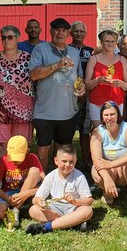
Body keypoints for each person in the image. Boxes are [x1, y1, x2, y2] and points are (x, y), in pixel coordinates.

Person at [29, 18, 85, 171]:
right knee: (42, 151)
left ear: (68, 33)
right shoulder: (41, 49)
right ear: (50, 31)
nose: (60, 33)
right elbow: (33, 75)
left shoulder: (74, 52)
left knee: (62, 151)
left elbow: (79, 76)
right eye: (56, 29)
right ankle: (41, 182)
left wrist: (82, 87)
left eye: (64, 30)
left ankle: (58, 181)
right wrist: (58, 64)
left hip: (68, 111)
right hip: (45, 111)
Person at [0, 25, 35, 161]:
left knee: (21, 146)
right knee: (1, 147)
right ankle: (1, 179)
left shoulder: (28, 58)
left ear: (17, 39)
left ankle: (18, 178)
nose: (6, 40)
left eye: (10, 37)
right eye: (3, 37)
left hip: (23, 112)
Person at [26, 144, 93, 235]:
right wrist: (40, 202)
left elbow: (89, 200)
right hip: (55, 209)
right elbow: (36, 198)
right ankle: (71, 223)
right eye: (64, 161)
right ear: (56, 161)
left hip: (73, 208)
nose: (67, 165)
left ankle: (46, 227)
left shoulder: (79, 176)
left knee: (87, 211)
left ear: (75, 161)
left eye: (71, 162)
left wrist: (75, 201)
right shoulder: (51, 176)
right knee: (33, 210)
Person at [90, 101, 127, 214]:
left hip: (123, 169)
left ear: (118, 114)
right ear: (102, 117)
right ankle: (107, 192)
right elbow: (96, 159)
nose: (109, 118)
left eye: (112, 114)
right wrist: (107, 178)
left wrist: (111, 164)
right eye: (106, 115)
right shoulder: (97, 132)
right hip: (108, 170)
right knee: (97, 173)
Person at [0, 135, 44, 225]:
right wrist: (7, 199)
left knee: (35, 170)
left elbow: (45, 183)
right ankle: (16, 209)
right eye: (12, 156)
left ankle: (16, 210)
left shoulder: (32, 158)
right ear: (7, 151)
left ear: (27, 151)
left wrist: (26, 193)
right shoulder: (3, 160)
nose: (15, 160)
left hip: (26, 192)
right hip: (7, 193)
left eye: (19, 157)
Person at [85, 30, 127, 128]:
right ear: (101, 42)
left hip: (116, 102)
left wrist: (120, 83)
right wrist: (98, 80)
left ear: (116, 43)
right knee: (98, 132)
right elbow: (87, 84)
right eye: (107, 41)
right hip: (97, 102)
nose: (110, 44)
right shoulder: (93, 59)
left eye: (112, 41)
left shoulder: (122, 60)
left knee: (114, 132)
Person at [69, 21, 94, 172]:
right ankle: (67, 161)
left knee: (85, 131)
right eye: (76, 31)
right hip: (68, 97)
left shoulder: (90, 52)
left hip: (86, 96)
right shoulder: (66, 49)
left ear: (85, 34)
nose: (79, 34)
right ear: (70, 33)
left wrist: (86, 92)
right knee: (67, 131)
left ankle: (86, 161)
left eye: (81, 31)